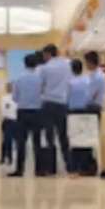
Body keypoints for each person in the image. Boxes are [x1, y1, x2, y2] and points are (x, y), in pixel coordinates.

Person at [38, 43, 72, 176]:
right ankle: (69, 165)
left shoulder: (45, 68)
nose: (43, 58)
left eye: (44, 55)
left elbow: (41, 85)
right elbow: (69, 82)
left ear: (48, 54)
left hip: (48, 103)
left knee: (49, 136)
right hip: (62, 104)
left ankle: (51, 168)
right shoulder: (67, 64)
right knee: (63, 135)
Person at [9, 53, 43, 177]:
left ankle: (19, 169)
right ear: (36, 64)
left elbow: (14, 97)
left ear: (24, 64)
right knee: (37, 142)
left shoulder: (19, 78)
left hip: (22, 112)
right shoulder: (40, 78)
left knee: (21, 142)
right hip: (37, 112)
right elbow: (43, 94)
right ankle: (39, 169)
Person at [67, 59, 93, 176]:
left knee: (74, 139)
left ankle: (74, 167)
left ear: (71, 69)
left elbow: (66, 98)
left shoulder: (69, 82)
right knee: (86, 139)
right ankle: (86, 166)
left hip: (73, 112)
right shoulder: (88, 80)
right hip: (86, 112)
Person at [0, 83, 18, 167]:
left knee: (6, 140)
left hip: (9, 120)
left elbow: (3, 110)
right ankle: (7, 158)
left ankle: (6, 158)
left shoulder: (4, 98)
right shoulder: (6, 98)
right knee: (7, 140)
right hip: (11, 121)